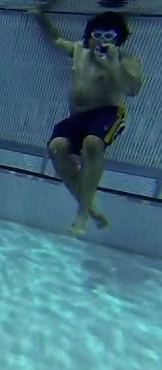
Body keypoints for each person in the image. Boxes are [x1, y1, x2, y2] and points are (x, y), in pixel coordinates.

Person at [31, 5, 143, 236]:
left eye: (109, 37)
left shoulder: (125, 60)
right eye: (97, 35)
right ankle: (92, 210)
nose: (101, 41)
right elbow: (56, 40)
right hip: (77, 117)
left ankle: (81, 217)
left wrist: (113, 64)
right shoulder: (78, 51)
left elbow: (132, 90)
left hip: (108, 113)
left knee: (92, 144)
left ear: (118, 39)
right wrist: (40, 16)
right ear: (89, 34)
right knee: (56, 147)